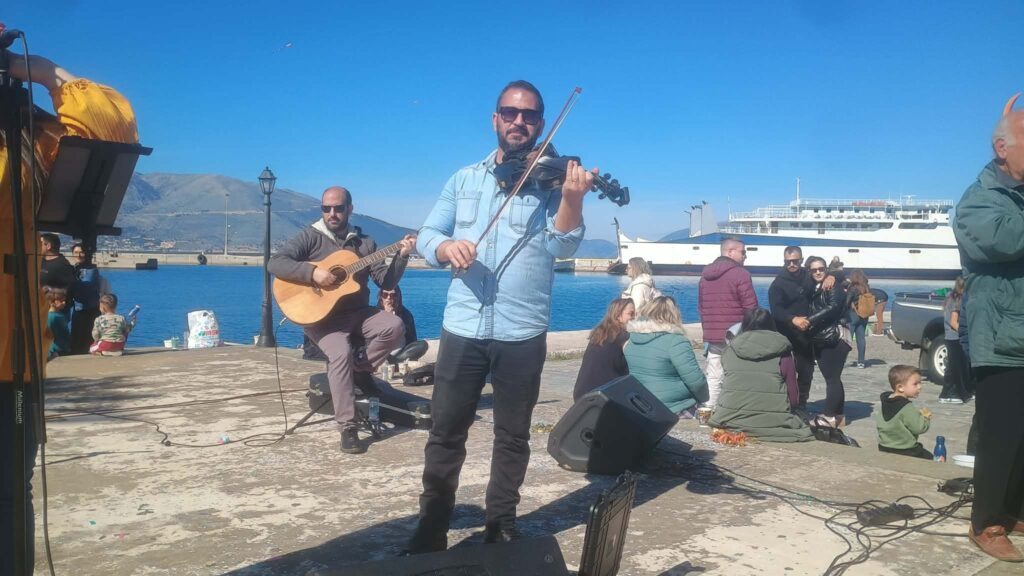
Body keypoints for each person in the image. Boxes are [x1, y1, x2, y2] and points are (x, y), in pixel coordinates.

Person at [407, 80, 594, 553]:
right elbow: (428, 233)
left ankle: (501, 525)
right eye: (510, 113)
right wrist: (446, 247)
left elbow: (561, 246)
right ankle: (431, 527)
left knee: (512, 436)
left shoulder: (552, 180)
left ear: (541, 124)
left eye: (529, 115)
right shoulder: (463, 179)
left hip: (522, 329)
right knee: (445, 432)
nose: (519, 122)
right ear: (495, 119)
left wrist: (572, 199)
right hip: (463, 325)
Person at [1, 49, 138, 576]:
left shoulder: (26, 137)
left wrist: (41, 70)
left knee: (10, 498)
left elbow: (111, 131)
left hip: (12, 360)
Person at [268, 186, 415, 454]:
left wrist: (402, 256)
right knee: (340, 354)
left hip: (357, 313)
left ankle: (360, 368)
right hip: (321, 319)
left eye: (338, 208)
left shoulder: (365, 244)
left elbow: (386, 282)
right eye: (326, 208)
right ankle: (348, 427)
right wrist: (313, 274)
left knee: (394, 326)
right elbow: (276, 263)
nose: (332, 213)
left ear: (350, 209)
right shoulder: (310, 237)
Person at [953, 96, 1024, 562]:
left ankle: (1015, 510)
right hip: (1001, 339)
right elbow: (1005, 239)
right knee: (1000, 436)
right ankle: (987, 523)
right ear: (1003, 148)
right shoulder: (979, 200)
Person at [708, 308, 812, 442]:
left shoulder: (730, 350)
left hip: (729, 419)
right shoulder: (783, 352)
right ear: (771, 325)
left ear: (744, 325)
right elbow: (793, 398)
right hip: (774, 422)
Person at [768, 246, 836, 413]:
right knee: (783, 369)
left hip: (806, 333)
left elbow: (828, 274)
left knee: (806, 370)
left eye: (795, 261)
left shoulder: (807, 276)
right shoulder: (778, 284)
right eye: (788, 262)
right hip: (786, 332)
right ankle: (783, 402)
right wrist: (793, 319)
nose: (792, 264)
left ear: (801, 260)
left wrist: (831, 276)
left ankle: (801, 403)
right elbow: (776, 310)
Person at [698, 237, 758, 407]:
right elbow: (751, 308)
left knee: (713, 375)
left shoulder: (705, 276)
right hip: (735, 334)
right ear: (730, 252)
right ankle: (736, 409)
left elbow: (701, 307)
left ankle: (710, 408)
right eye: (743, 252)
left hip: (713, 335)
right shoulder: (741, 274)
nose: (745, 256)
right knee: (738, 374)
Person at [624, 296, 708, 415]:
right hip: (675, 407)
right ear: (673, 314)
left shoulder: (632, 339)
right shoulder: (676, 341)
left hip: (642, 405)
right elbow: (696, 381)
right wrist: (704, 398)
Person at [805, 256, 851, 427]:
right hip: (825, 336)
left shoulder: (833, 286)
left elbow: (833, 307)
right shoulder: (815, 286)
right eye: (814, 270)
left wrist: (809, 320)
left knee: (832, 378)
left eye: (821, 269)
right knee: (833, 377)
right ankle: (839, 415)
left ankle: (830, 416)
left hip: (834, 337)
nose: (818, 272)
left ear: (826, 269)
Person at [572, 298, 634, 401]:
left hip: (581, 394)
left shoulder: (599, 333)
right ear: (618, 315)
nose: (634, 317)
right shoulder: (623, 337)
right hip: (603, 396)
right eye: (631, 314)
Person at [876, 365, 933, 460]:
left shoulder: (885, 402)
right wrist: (925, 418)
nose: (920, 387)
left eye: (920, 383)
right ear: (900, 387)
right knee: (932, 459)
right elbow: (919, 428)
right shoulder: (906, 407)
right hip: (905, 450)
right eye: (915, 384)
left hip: (884, 447)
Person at [69, 243, 110, 355]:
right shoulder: (74, 270)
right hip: (78, 309)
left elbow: (87, 287)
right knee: (77, 337)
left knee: (89, 336)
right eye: (76, 252)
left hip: (91, 309)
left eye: (81, 252)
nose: (78, 255)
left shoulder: (91, 271)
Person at [940, 277, 971, 404]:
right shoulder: (957, 300)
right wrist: (965, 333)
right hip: (955, 337)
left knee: (954, 366)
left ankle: (959, 391)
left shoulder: (950, 296)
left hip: (950, 337)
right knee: (954, 367)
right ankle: (949, 393)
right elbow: (954, 322)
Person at [845, 270, 872, 368]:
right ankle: (861, 361)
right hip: (864, 315)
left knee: (848, 339)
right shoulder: (867, 287)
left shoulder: (853, 288)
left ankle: (843, 359)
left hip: (853, 315)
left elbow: (847, 302)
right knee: (861, 338)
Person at [45, 287, 70, 359]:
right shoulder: (51, 317)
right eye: (61, 301)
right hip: (56, 352)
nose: (64, 303)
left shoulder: (60, 314)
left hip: (63, 350)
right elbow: (49, 335)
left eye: (64, 300)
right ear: (51, 302)